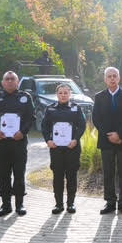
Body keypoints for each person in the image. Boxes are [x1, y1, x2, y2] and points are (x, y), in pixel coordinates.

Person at [0, 71, 35, 216]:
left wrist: (23, 132)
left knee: (19, 174)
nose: (9, 81)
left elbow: (31, 117)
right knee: (3, 175)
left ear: (17, 82)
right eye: (6, 79)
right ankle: (5, 205)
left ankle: (20, 204)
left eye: (12, 79)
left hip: (19, 143)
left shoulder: (25, 97)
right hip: (2, 143)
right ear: (2, 82)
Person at [92, 67, 122, 214]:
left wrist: (119, 135)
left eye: (114, 76)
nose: (112, 78)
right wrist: (109, 135)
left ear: (119, 78)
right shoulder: (99, 97)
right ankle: (110, 202)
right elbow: (96, 118)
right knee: (108, 173)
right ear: (105, 79)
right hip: (106, 141)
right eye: (109, 76)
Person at [41, 83, 86, 214]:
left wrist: (75, 139)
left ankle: (71, 204)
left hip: (72, 148)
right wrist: (48, 140)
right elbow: (44, 126)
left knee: (71, 176)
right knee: (58, 176)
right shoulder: (50, 109)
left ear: (70, 94)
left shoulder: (76, 108)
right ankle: (58, 205)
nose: (63, 95)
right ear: (57, 94)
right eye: (60, 93)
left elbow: (82, 126)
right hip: (56, 148)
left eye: (66, 93)